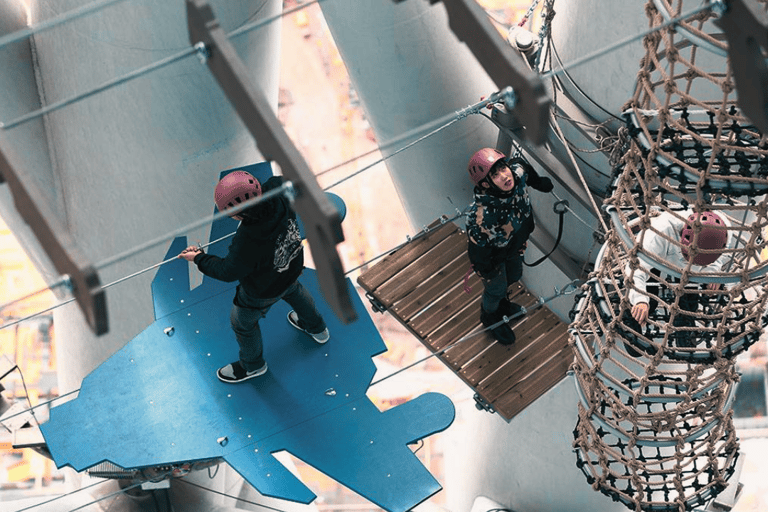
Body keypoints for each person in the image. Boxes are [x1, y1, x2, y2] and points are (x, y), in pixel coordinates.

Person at [179, 170, 329, 383]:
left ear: (238, 214)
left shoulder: (248, 239)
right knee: (294, 291)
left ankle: (253, 366)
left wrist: (198, 258)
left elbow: (228, 271)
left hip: (262, 290)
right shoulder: (279, 187)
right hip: (291, 266)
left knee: (242, 323)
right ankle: (318, 329)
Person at [465, 147, 554, 345]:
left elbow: (524, 168)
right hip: (494, 256)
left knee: (514, 274)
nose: (504, 176)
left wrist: (540, 183)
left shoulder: (516, 173)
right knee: (495, 288)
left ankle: (502, 305)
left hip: (514, 245)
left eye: (502, 168)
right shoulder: (482, 217)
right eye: (495, 175)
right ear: (486, 184)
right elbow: (477, 251)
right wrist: (487, 271)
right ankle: (489, 316)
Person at [625, 209, 731, 348]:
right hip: (661, 258)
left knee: (690, 293)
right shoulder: (659, 233)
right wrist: (640, 300)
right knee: (649, 294)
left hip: (693, 272)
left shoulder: (725, 232)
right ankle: (631, 316)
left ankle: (684, 321)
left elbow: (719, 258)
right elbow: (636, 268)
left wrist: (712, 274)